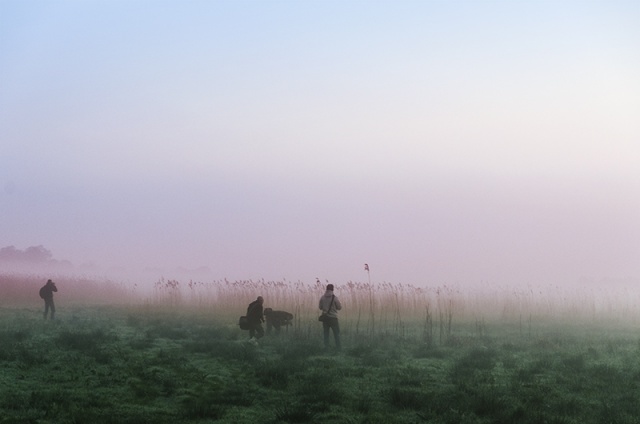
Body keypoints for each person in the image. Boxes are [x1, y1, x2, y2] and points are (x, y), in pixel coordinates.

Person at [319, 284, 342, 349]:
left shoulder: (322, 297)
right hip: (333, 318)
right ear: (332, 289)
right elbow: (339, 307)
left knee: (326, 334)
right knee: (336, 334)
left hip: (325, 318)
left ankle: (326, 347)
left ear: (326, 289)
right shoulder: (335, 298)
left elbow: (320, 307)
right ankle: (338, 348)